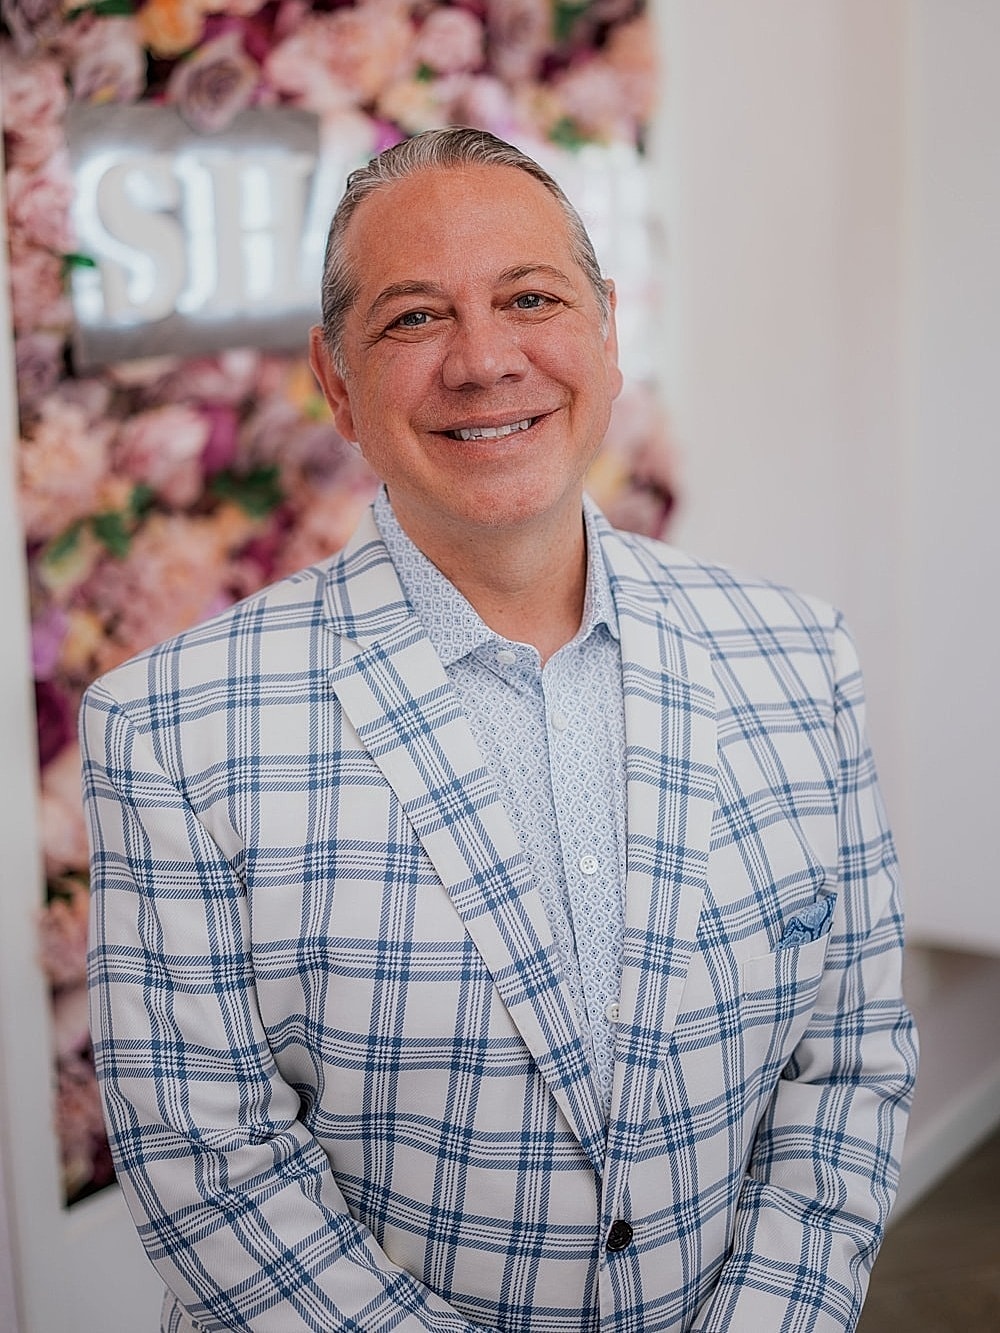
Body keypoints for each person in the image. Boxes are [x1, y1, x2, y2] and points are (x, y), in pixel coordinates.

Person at [83, 127, 917, 1333]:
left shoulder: (798, 657)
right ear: (334, 381)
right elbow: (212, 1170)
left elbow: (847, 1064)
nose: (484, 361)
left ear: (608, 329)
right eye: (414, 319)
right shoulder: (167, 727)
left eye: (531, 298)